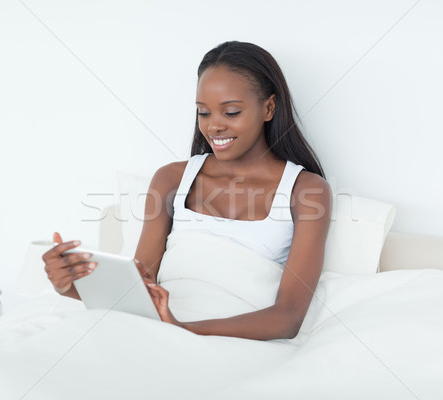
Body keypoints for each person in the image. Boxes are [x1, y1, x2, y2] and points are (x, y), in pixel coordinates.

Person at [42, 41, 332, 341]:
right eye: (203, 113)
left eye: (231, 112)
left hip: (233, 340)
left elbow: (287, 317)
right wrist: (68, 285)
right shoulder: (172, 178)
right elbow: (141, 287)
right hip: (158, 328)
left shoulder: (307, 190)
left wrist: (183, 330)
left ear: (269, 108)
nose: (214, 126)